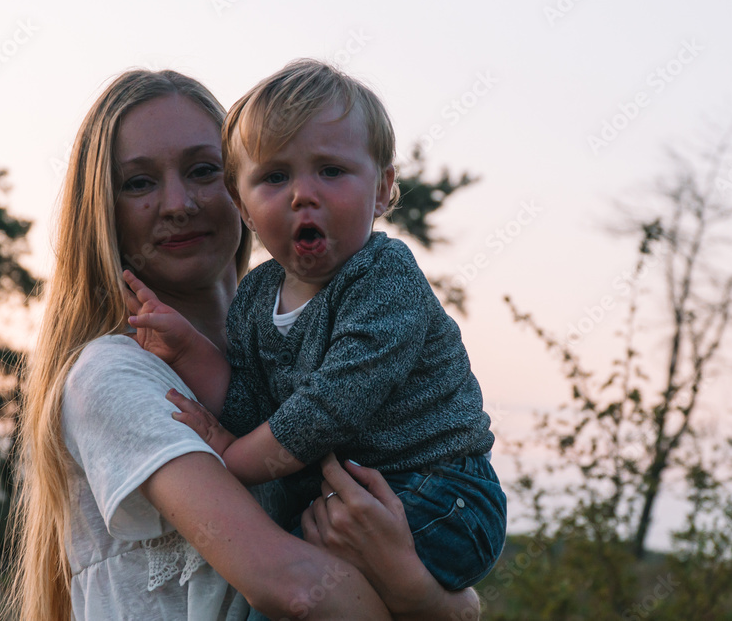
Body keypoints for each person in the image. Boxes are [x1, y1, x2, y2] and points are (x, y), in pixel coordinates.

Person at [4, 68, 482, 620]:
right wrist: (420, 596)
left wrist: (412, 583)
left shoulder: (297, 344)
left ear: (233, 187)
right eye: (139, 182)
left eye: (202, 170)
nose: (178, 203)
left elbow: (462, 601)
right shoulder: (111, 374)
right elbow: (297, 589)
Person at [124, 59, 507, 593]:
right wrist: (189, 351)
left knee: (296, 584)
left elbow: (333, 404)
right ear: (244, 207)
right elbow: (252, 402)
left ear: (382, 190)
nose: (304, 193)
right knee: (291, 581)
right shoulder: (256, 299)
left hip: (444, 492)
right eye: (275, 177)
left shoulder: (383, 278)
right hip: (350, 497)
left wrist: (233, 457)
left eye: (331, 170)